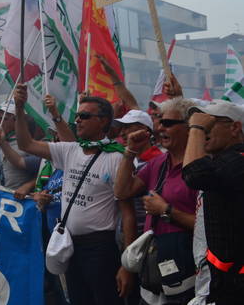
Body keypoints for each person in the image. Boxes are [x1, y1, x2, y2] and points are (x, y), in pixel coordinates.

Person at [14, 84, 136, 305]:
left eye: (85, 116)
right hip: (70, 245)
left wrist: (126, 266)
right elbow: (25, 143)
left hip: (100, 248)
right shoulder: (70, 149)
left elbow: (127, 214)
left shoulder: (118, 158)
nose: (78, 120)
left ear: (103, 121)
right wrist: (19, 108)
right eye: (78, 115)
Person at [114, 97, 198, 304]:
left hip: (188, 272)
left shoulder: (201, 168)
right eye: (159, 122)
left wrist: (167, 210)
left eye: (168, 123)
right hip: (154, 267)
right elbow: (122, 191)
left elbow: (209, 226)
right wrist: (130, 151)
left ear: (189, 128)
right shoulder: (158, 163)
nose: (160, 128)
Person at [182, 100, 244, 304]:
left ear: (235, 127)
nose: (205, 129)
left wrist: (197, 128)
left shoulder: (238, 160)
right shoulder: (220, 163)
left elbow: (193, 174)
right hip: (223, 281)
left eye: (211, 123)